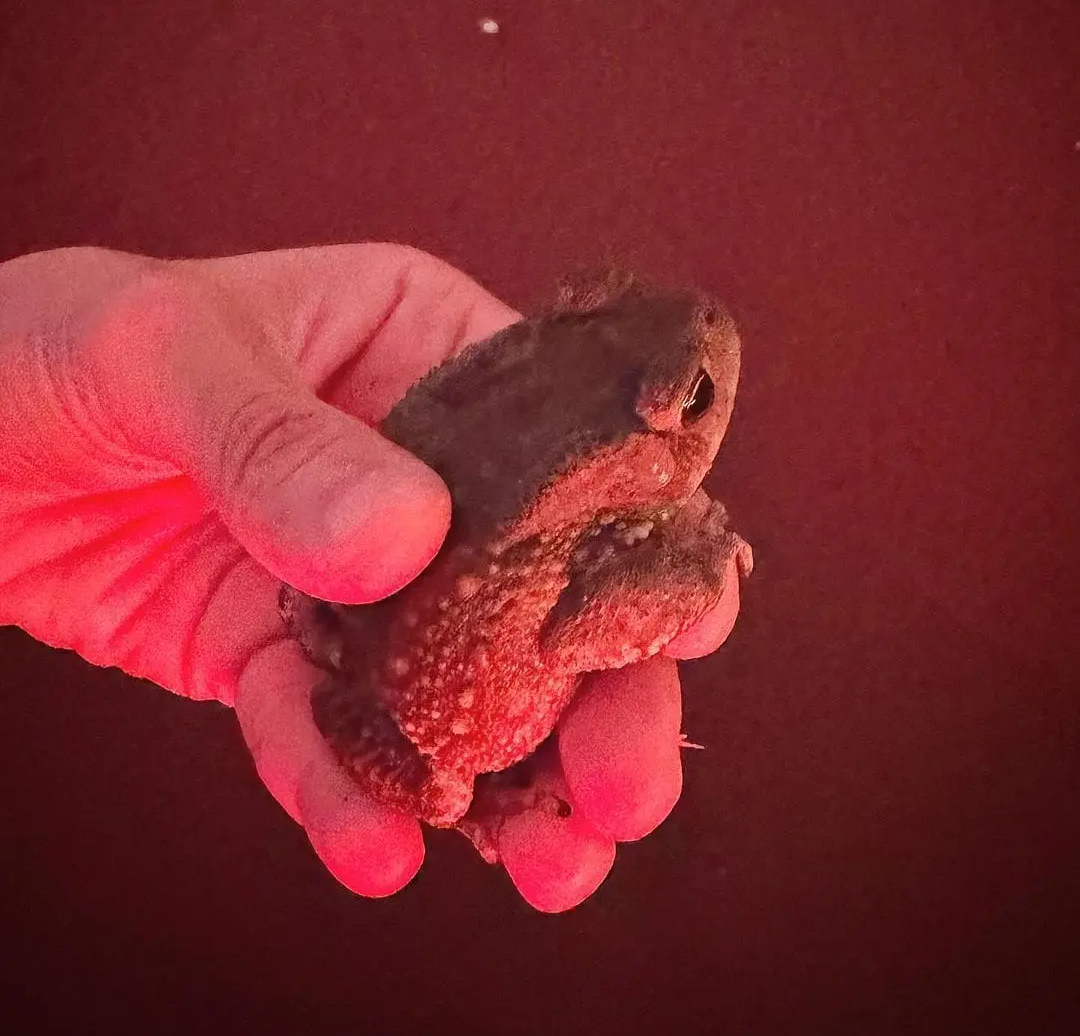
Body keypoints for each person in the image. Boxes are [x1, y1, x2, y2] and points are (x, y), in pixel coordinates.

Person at [0, 242, 742, 912]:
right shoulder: (582, 500)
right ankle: (472, 807)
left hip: (338, 595)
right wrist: (701, 562)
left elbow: (578, 609)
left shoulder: (575, 484)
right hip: (417, 724)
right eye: (694, 400)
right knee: (442, 793)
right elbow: (592, 627)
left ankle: (329, 616)